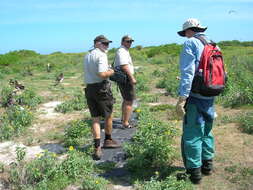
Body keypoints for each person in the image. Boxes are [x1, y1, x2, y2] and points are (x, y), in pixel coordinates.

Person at [176, 18, 216, 184]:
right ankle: (207, 166)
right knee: (206, 131)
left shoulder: (190, 43)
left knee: (192, 134)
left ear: (188, 31)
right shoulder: (213, 44)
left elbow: (188, 73)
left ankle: (194, 174)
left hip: (196, 96)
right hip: (211, 94)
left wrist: (182, 98)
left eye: (185, 33)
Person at [84, 35, 120, 160]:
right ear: (96, 44)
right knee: (108, 115)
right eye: (104, 43)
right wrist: (112, 71)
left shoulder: (87, 55)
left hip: (89, 89)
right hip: (101, 89)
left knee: (95, 118)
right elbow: (102, 74)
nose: (106, 46)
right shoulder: (101, 55)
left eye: (107, 43)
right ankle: (108, 140)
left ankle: (97, 147)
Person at [114, 35, 136, 128]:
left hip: (124, 78)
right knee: (129, 101)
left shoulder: (123, 50)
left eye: (131, 41)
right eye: (127, 41)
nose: (129, 43)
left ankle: (124, 119)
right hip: (126, 79)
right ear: (122, 42)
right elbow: (124, 66)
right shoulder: (122, 51)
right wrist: (132, 78)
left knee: (126, 100)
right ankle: (126, 123)